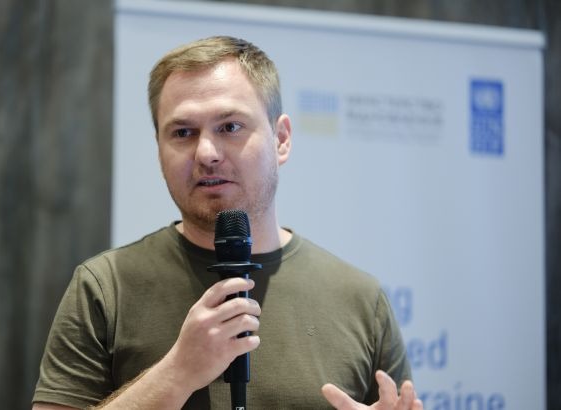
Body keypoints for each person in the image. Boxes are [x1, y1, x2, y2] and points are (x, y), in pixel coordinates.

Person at [32, 36, 422, 410]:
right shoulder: (104, 287)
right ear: (159, 148)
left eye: (230, 127)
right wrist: (178, 373)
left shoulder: (359, 299)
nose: (206, 153)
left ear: (281, 139)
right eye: (183, 133)